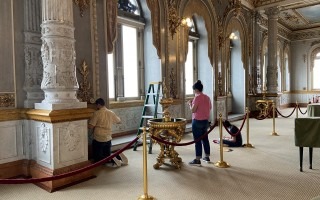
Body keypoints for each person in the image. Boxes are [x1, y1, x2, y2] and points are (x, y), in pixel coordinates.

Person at [88, 98, 128, 167]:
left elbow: (91, 126)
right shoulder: (110, 112)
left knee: (98, 159)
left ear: (98, 104)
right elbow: (119, 121)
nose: (96, 107)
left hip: (99, 138)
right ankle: (117, 156)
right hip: (108, 137)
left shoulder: (97, 113)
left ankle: (114, 159)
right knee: (107, 154)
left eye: (96, 105)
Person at [187, 80, 212, 166]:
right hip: (205, 121)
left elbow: (193, 110)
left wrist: (190, 104)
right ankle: (207, 157)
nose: (194, 92)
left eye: (194, 90)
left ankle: (197, 159)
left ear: (196, 90)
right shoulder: (207, 97)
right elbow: (210, 108)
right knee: (205, 139)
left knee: (197, 140)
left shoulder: (197, 98)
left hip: (197, 121)